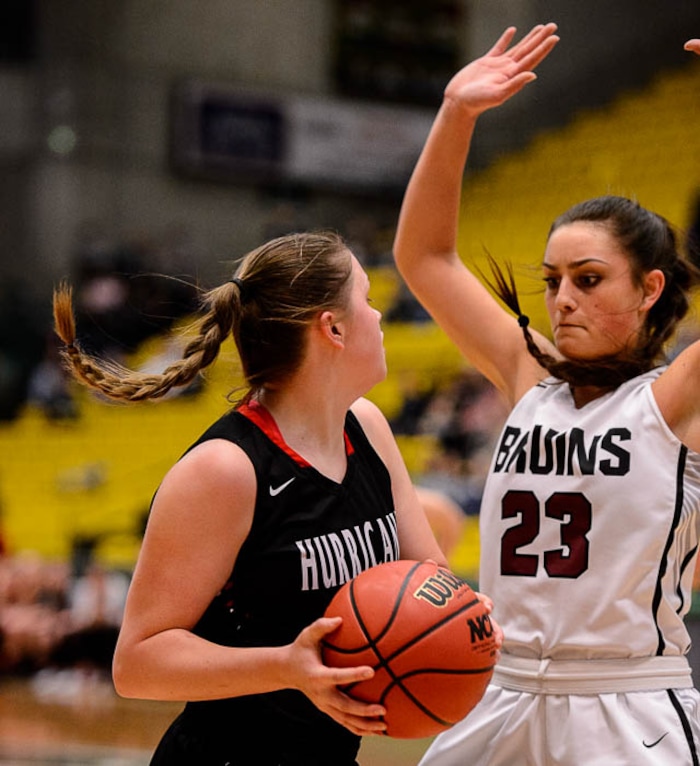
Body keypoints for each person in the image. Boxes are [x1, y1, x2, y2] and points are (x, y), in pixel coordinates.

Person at [393, 24, 700, 765]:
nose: (562, 299)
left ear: (650, 288)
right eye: (553, 281)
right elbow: (425, 257)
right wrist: (455, 114)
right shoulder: (526, 375)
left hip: (626, 701)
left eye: (588, 280)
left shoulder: (677, 398)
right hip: (497, 688)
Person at [52, 231, 463, 765]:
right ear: (332, 327)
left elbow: (431, 574)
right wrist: (284, 666)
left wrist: (466, 620)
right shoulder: (225, 469)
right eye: (368, 299)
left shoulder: (367, 427)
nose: (380, 317)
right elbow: (136, 664)